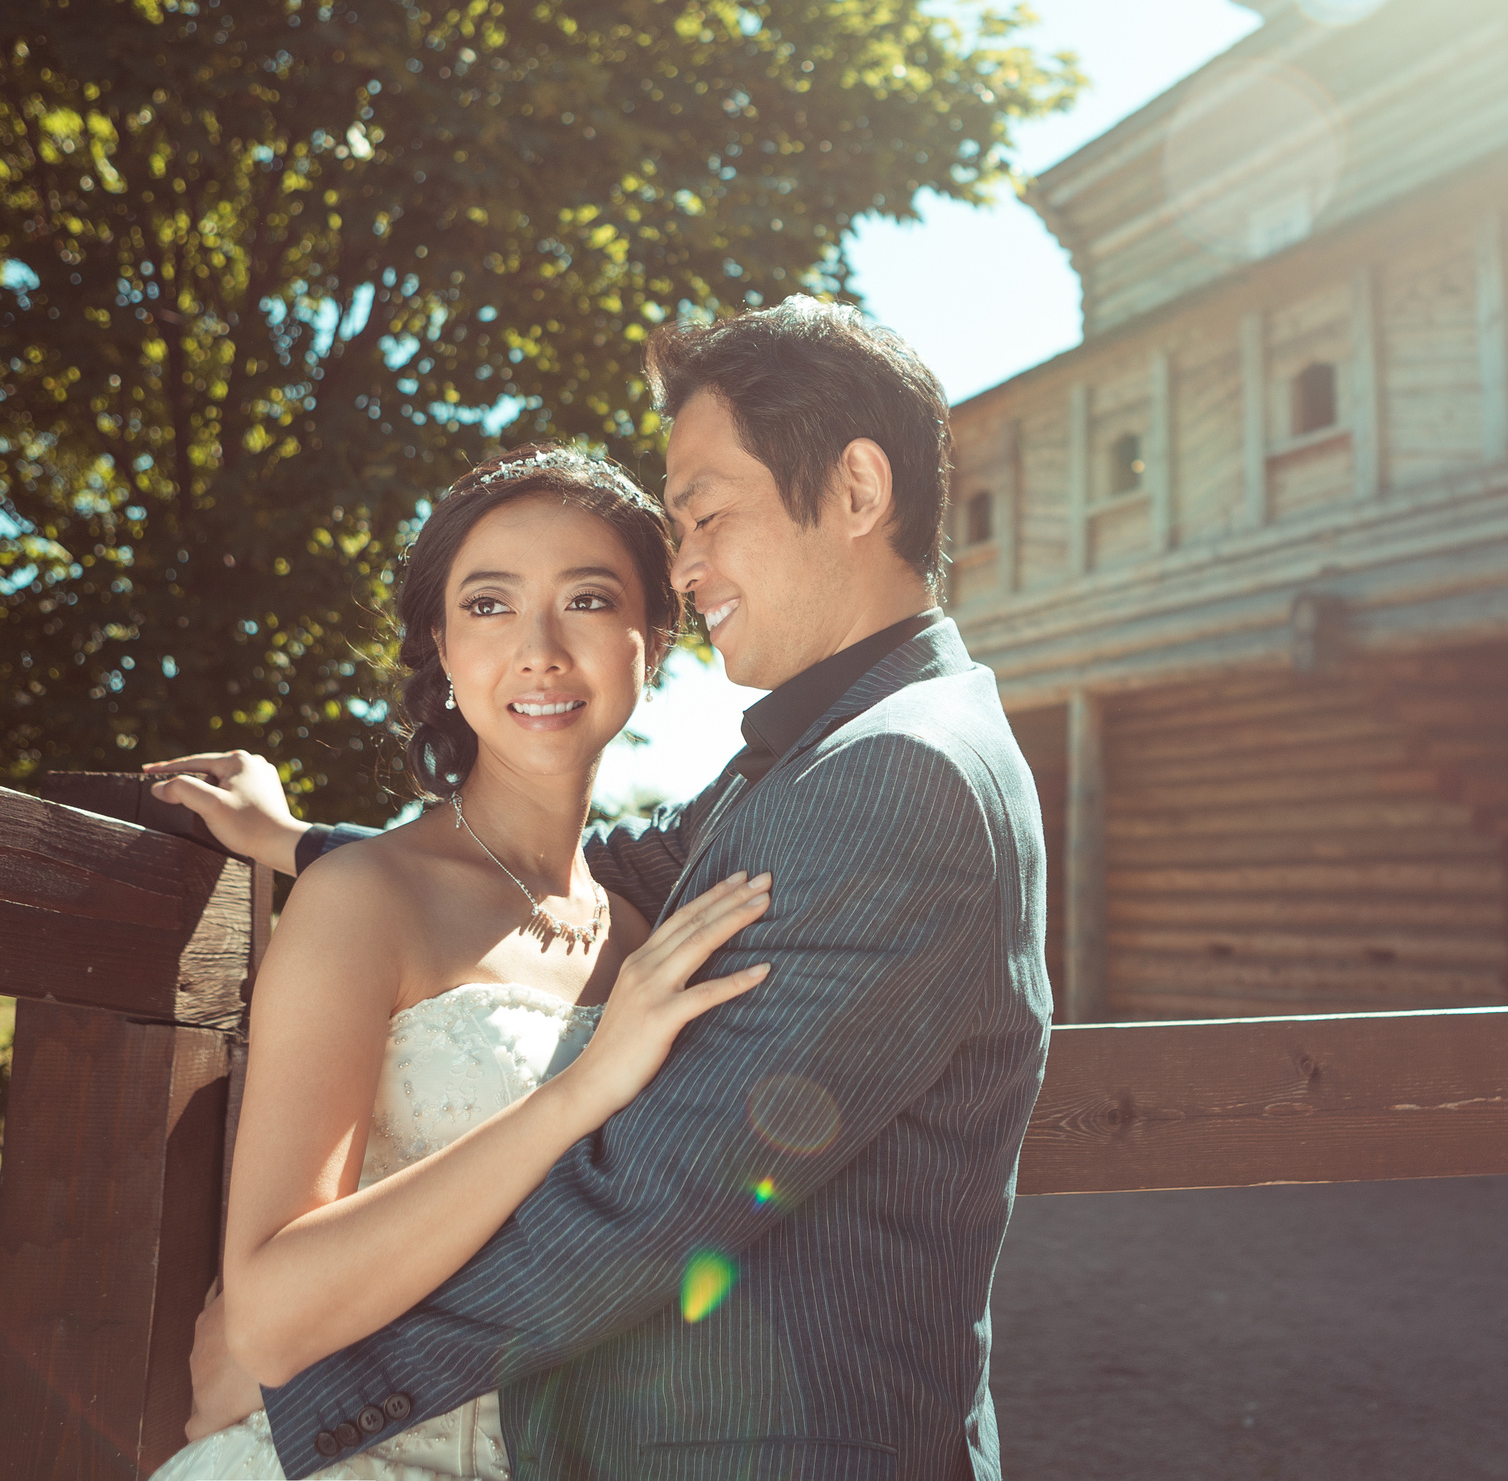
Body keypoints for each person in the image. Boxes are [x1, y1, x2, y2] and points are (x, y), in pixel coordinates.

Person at [154, 295, 1051, 1480]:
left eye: (704, 517)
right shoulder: (823, 759)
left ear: (855, 490)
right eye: (487, 605)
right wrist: (316, 847)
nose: (686, 568)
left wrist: (299, 1375)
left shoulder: (893, 770)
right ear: (437, 641)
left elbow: (651, 1203)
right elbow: (543, 874)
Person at [149, 442, 779, 1481]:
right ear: (441, 646)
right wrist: (578, 1092)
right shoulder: (365, 900)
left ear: (651, 640)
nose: (537, 649)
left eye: (585, 599)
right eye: (488, 606)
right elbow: (263, 1327)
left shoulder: (636, 931)